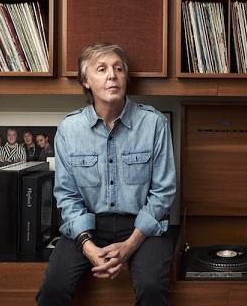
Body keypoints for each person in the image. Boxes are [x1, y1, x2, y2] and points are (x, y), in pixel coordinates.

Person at [36, 42, 176, 306]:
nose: (112, 75)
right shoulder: (69, 129)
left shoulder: (154, 124)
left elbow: (163, 192)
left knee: (151, 289)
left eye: (118, 68)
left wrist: (130, 245)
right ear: (86, 82)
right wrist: (88, 247)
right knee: (52, 290)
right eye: (101, 69)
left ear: (126, 78)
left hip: (143, 227)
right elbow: (66, 195)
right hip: (88, 226)